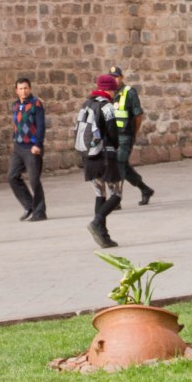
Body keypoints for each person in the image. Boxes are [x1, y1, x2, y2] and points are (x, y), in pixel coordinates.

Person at [78, 73, 123, 247]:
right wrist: (116, 147)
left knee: (100, 194)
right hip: (105, 156)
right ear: (109, 90)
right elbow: (113, 133)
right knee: (116, 195)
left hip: (89, 157)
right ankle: (97, 223)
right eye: (113, 90)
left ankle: (103, 236)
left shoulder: (86, 104)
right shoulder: (107, 107)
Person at [108, 64, 154, 206]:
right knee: (123, 167)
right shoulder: (109, 94)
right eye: (111, 77)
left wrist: (133, 133)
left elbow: (138, 115)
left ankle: (115, 200)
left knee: (119, 165)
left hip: (125, 136)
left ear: (121, 77)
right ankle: (145, 189)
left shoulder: (129, 92)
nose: (114, 80)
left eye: (116, 77)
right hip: (112, 137)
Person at [8, 76, 47, 222]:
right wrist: (15, 138)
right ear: (16, 91)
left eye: (25, 88)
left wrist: (38, 144)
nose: (23, 91)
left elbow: (41, 126)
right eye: (20, 89)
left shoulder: (36, 103)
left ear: (30, 89)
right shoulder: (15, 105)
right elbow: (16, 124)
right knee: (12, 177)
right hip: (18, 147)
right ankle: (29, 205)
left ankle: (40, 212)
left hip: (32, 147)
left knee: (34, 180)